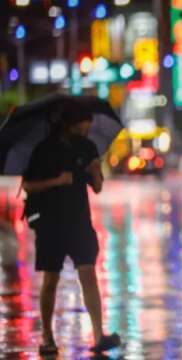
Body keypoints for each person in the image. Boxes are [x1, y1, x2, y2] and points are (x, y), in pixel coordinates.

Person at [22, 103, 121, 355]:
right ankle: (47, 336)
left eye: (87, 127)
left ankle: (99, 334)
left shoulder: (87, 148)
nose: (85, 131)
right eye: (80, 126)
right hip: (50, 224)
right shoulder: (44, 150)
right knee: (50, 279)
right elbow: (29, 186)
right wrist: (58, 180)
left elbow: (96, 188)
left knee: (88, 274)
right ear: (67, 124)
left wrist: (96, 172)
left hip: (80, 223)